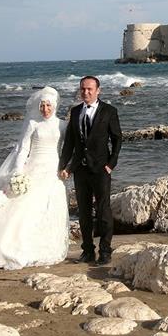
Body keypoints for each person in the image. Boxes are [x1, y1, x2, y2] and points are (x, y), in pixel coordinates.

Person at [0, 87, 70, 270]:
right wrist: (18, 171)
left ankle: (42, 247)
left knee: (47, 209)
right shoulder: (33, 124)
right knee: (23, 209)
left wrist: (67, 168)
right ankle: (9, 246)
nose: (45, 109)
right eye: (42, 105)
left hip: (53, 172)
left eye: (48, 105)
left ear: (54, 106)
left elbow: (68, 149)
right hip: (33, 169)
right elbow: (22, 150)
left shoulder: (63, 125)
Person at [58, 75, 121, 265]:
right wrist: (63, 166)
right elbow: (70, 142)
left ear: (98, 90)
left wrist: (111, 164)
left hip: (101, 168)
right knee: (84, 212)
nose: (85, 92)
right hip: (80, 169)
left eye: (89, 89)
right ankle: (87, 251)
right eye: (83, 89)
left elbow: (117, 139)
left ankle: (105, 250)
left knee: (103, 211)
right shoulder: (76, 111)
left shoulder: (109, 111)